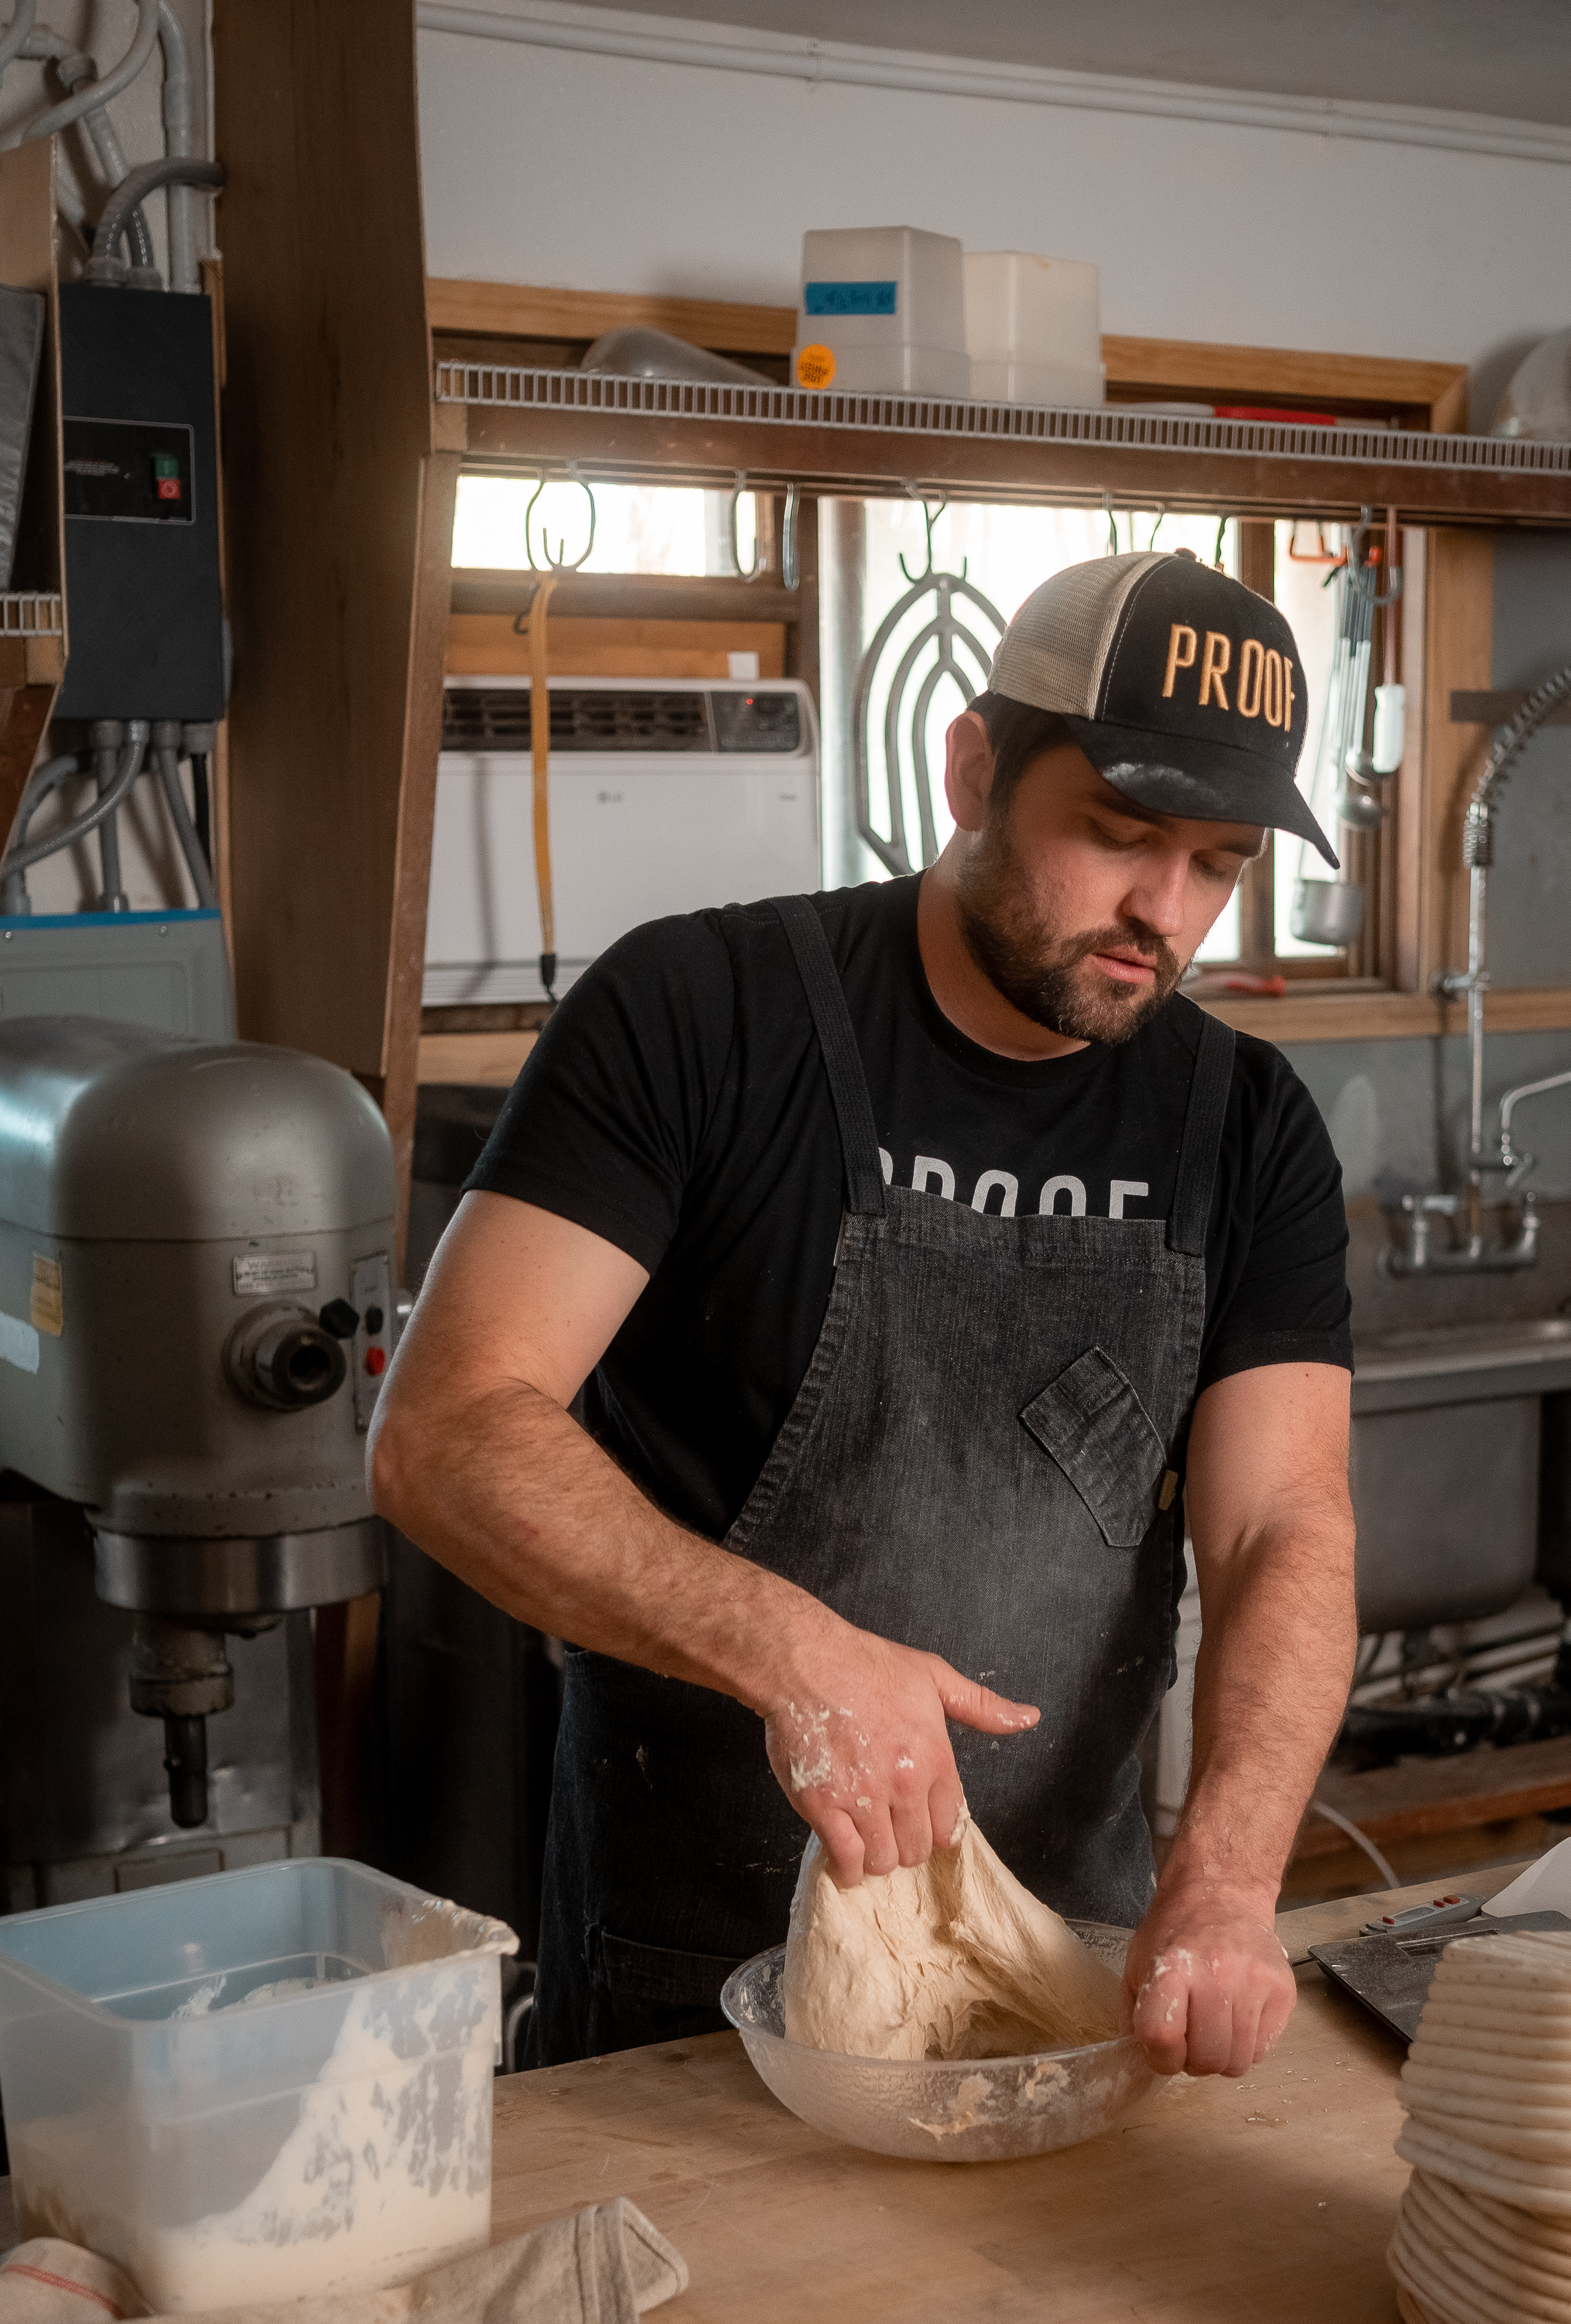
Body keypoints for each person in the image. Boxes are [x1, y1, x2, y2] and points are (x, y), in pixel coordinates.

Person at [369, 546, 1358, 2082]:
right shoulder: (697, 1015)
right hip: (687, 1995)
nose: (1165, 911)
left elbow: (1279, 1526)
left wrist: (1224, 1884)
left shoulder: (1245, 1125)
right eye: (1118, 834)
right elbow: (444, 1430)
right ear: (972, 768)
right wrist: (790, 1649)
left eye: (1219, 864)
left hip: (1066, 1983)